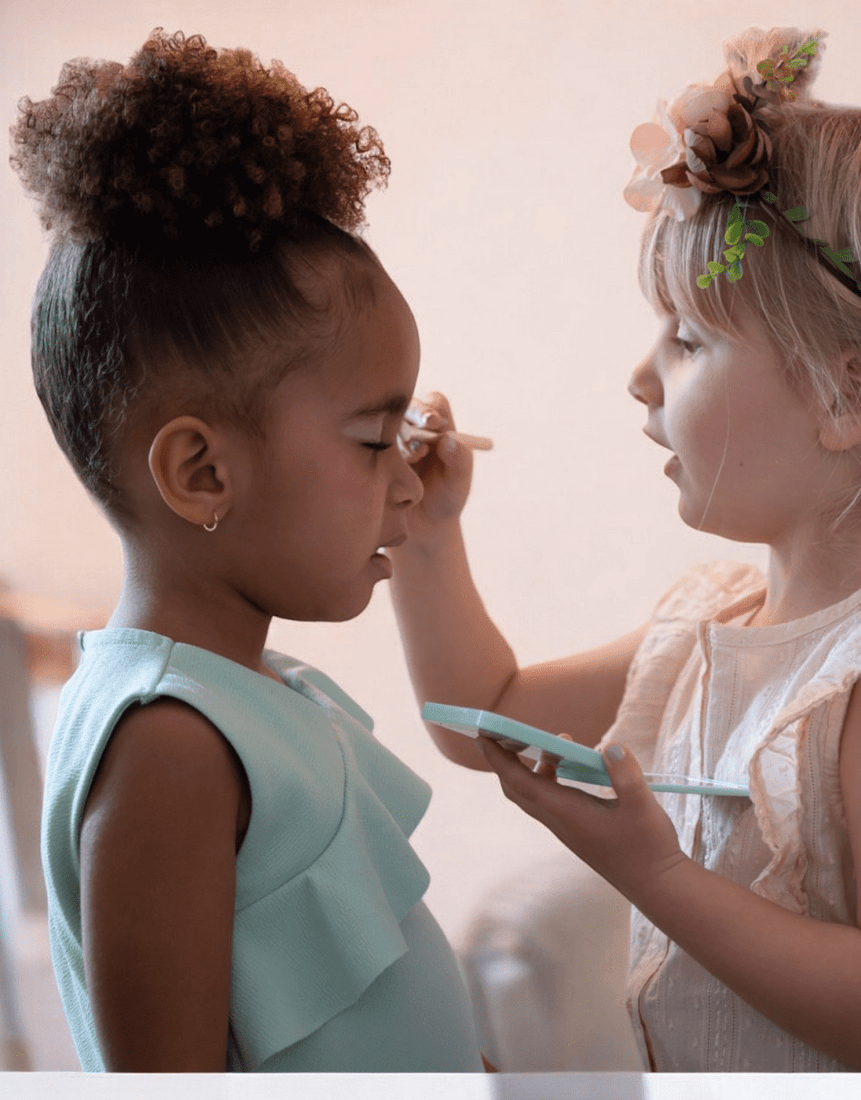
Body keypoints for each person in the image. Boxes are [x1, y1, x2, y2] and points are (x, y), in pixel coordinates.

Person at [390, 26, 861, 1072]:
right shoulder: (711, 630)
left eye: (687, 339)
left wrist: (657, 874)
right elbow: (483, 711)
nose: (640, 375)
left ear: (845, 395)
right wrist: (422, 532)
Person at [11, 29, 485, 1072]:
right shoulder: (171, 745)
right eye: (373, 441)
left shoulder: (242, 693)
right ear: (202, 474)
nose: (403, 479)